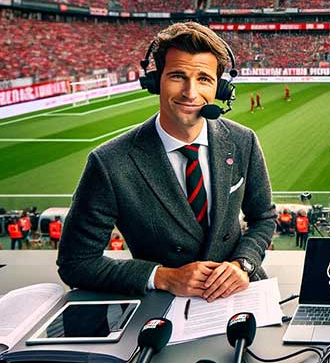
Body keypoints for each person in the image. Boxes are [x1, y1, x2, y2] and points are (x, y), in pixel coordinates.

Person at [57, 22, 277, 300]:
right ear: (154, 82)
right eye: (177, 76)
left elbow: (263, 217)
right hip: (161, 306)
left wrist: (242, 264)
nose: (190, 92)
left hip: (240, 296)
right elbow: (76, 262)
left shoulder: (243, 140)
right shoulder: (109, 163)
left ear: (220, 89)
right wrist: (162, 276)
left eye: (204, 79)